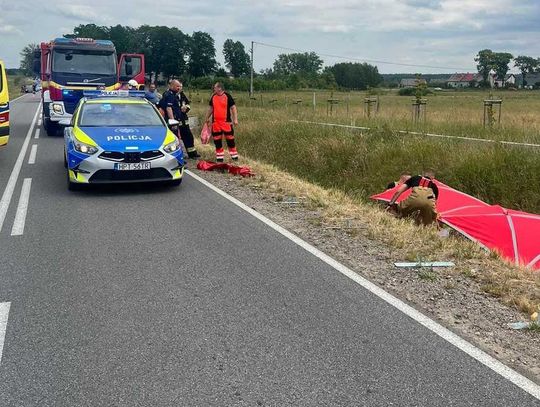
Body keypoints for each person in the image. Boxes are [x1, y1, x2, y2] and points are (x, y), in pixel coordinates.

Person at [158, 79, 200, 159]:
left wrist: (186, 108)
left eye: (180, 86)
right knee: (176, 139)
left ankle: (192, 153)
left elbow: (187, 104)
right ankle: (177, 157)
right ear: (172, 86)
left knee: (188, 136)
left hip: (183, 119)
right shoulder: (168, 94)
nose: (179, 88)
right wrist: (172, 121)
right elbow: (168, 108)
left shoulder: (182, 94)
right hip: (174, 120)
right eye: (178, 86)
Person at [204, 82, 238, 162]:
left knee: (230, 141)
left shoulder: (227, 96)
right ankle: (220, 159)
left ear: (219, 88)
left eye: (215, 87)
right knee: (217, 142)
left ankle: (235, 158)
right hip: (216, 124)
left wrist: (235, 119)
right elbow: (210, 108)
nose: (214, 89)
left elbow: (233, 108)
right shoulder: (213, 97)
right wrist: (207, 118)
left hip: (226, 123)